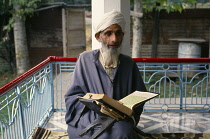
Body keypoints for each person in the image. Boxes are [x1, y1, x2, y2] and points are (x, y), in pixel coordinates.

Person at [65, 9, 147, 139]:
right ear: (98, 37)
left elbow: (139, 95)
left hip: (119, 118)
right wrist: (96, 104)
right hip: (91, 115)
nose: (114, 39)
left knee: (123, 133)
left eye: (118, 33)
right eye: (108, 33)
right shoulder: (85, 59)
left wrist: (126, 109)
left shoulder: (128, 63)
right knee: (92, 133)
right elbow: (73, 96)